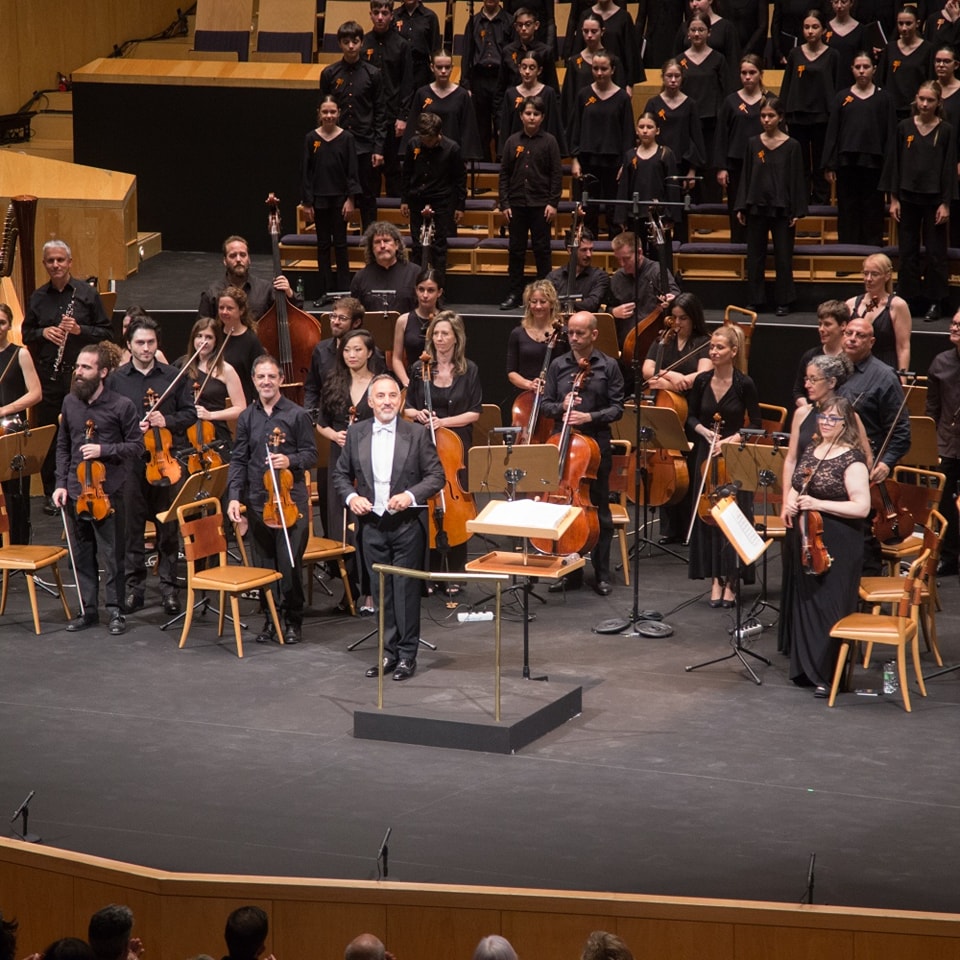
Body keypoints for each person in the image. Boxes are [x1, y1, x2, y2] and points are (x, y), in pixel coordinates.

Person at [333, 373, 445, 680]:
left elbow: (436, 477)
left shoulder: (417, 434)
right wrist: (352, 497)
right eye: (380, 396)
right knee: (381, 592)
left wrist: (410, 496)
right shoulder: (356, 433)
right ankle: (388, 653)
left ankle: (407, 656)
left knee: (405, 592)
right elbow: (340, 475)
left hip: (407, 525)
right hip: (371, 525)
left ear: (400, 400)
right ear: (370, 402)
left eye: (392, 395)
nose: (387, 401)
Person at [781, 397, 871, 696]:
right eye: (823, 417)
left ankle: (828, 675)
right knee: (808, 602)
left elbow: (861, 508)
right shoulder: (813, 449)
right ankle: (806, 669)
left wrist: (817, 503)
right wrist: (790, 501)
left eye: (834, 419)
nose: (827, 423)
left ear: (846, 424)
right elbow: (799, 481)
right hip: (809, 539)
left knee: (830, 605)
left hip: (839, 540)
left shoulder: (853, 459)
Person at [108, 315, 196, 616]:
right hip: (132, 465)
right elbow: (109, 423)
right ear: (129, 346)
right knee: (132, 529)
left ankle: (171, 590)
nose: (146, 348)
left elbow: (189, 415)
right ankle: (135, 590)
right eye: (140, 343)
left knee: (167, 528)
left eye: (151, 342)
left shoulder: (173, 375)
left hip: (166, 462)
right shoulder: (116, 380)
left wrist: (165, 420)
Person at [227, 355, 318, 645]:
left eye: (271, 376)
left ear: (280, 379)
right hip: (257, 501)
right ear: (253, 381)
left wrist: (288, 459)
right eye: (260, 377)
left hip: (291, 503)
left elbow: (312, 455)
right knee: (264, 566)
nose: (266, 382)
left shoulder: (297, 415)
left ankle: (293, 621)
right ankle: (270, 620)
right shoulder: (247, 417)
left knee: (289, 566)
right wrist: (233, 497)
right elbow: (239, 459)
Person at [54, 343, 143, 635]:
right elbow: (64, 445)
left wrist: (104, 448)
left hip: (110, 492)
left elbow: (135, 446)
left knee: (112, 556)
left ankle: (115, 611)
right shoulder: (70, 402)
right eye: (78, 366)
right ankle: (88, 610)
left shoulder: (122, 405)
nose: (78, 372)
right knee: (80, 556)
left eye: (86, 367)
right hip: (76, 491)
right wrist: (60, 484)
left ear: (102, 372)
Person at [22, 240, 112, 514]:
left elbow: (106, 332)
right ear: (45, 264)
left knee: (85, 433)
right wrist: (43, 333)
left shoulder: (86, 294)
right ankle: (53, 493)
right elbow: (27, 334)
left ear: (70, 262)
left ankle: (88, 488)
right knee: (52, 436)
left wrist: (80, 331)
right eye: (51, 261)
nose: (56, 265)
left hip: (82, 380)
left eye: (61, 260)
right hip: (50, 377)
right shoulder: (38, 297)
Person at [541, 310, 624, 595]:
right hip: (563, 447)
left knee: (599, 511)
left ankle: (601, 574)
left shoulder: (609, 366)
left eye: (579, 333)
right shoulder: (557, 366)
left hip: (595, 448)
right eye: (571, 333)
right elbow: (544, 405)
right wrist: (562, 406)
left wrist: (589, 417)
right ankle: (571, 572)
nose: (573, 338)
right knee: (564, 510)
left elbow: (618, 408)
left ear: (594, 334)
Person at [686, 323, 760, 606]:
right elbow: (691, 417)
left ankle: (732, 580)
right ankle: (715, 578)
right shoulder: (702, 381)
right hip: (706, 453)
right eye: (712, 347)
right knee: (710, 517)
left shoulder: (744, 384)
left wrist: (731, 439)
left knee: (732, 517)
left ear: (733, 351)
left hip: (733, 455)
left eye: (719, 347)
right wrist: (703, 431)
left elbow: (755, 424)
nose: (713, 352)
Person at [404, 311, 482, 579]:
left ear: (456, 337)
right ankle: (429, 571)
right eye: (435, 333)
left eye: (445, 333)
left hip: (456, 447)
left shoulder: (469, 369)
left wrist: (444, 422)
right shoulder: (419, 369)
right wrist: (418, 415)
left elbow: (474, 413)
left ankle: (456, 572)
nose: (439, 338)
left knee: (455, 503)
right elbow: (407, 407)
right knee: (426, 500)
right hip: (424, 444)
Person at [838, 316, 911, 574]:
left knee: (862, 540)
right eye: (849, 333)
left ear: (872, 342)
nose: (853, 338)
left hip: (865, 472)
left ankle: (866, 602)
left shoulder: (883, 376)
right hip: (835, 466)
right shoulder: (834, 370)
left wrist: (886, 462)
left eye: (860, 335)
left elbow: (901, 431)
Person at [880, 80, 958, 322]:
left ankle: (935, 301)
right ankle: (909, 299)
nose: (925, 104)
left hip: (935, 199)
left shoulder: (946, 130)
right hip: (907, 197)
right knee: (908, 251)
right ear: (916, 99)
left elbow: (948, 169)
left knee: (935, 253)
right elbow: (894, 163)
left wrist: (946, 203)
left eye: (930, 100)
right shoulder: (904, 127)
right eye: (921, 99)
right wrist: (893, 199)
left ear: (938, 103)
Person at [314, 328, 380, 609]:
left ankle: (369, 589)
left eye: (357, 350)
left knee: (365, 524)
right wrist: (334, 436)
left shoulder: (379, 384)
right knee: (341, 524)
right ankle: (350, 589)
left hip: (369, 459)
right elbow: (321, 421)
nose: (352, 355)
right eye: (347, 350)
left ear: (369, 353)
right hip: (339, 458)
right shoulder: (334, 381)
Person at [641, 292, 712, 543]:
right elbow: (648, 370)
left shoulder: (703, 341)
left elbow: (703, 373)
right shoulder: (664, 339)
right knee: (667, 468)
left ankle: (692, 529)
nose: (678, 322)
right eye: (674, 317)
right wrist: (671, 379)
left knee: (691, 469)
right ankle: (670, 528)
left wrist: (676, 381)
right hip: (668, 409)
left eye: (683, 318)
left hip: (692, 409)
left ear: (694, 318)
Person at [735, 97, 808, 317]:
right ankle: (755, 299)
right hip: (756, 206)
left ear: (780, 117)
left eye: (771, 116)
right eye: (763, 116)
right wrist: (742, 206)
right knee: (754, 255)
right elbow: (746, 176)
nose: (766, 120)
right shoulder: (752, 143)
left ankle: (784, 300)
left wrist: (796, 210)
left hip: (782, 209)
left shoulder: (792, 145)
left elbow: (797, 179)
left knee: (783, 257)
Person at [822, 52, 897, 247]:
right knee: (848, 208)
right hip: (847, 163)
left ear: (874, 69)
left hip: (875, 164)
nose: (862, 71)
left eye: (866, 67)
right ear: (852, 70)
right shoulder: (842, 97)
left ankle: (872, 251)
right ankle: (847, 253)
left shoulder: (884, 98)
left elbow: (890, 135)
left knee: (873, 208)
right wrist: (830, 164)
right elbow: (833, 132)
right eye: (858, 67)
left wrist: (890, 168)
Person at [320, 21, 388, 230]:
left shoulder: (373, 74)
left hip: (365, 145)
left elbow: (380, 112)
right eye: (346, 42)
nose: (351, 46)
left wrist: (378, 148)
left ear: (362, 42)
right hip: (337, 146)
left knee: (368, 197)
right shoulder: (329, 73)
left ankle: (371, 243)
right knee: (338, 194)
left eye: (355, 41)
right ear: (340, 43)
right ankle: (341, 244)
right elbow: (325, 109)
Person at [498, 95, 563, 310]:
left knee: (542, 250)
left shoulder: (550, 142)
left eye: (536, 114)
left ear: (542, 117)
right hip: (516, 205)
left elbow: (556, 175)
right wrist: (505, 203)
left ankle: (545, 296)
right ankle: (515, 294)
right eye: (528, 113)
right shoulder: (512, 141)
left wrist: (553, 203)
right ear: (521, 116)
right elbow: (504, 174)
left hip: (541, 205)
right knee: (515, 251)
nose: (532, 117)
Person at [569, 50, 635, 241]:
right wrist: (574, 159)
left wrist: (625, 163)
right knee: (588, 208)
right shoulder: (583, 95)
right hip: (588, 160)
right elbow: (576, 128)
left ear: (612, 70)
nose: (599, 73)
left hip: (614, 162)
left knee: (614, 211)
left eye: (604, 68)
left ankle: (615, 253)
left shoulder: (622, 97)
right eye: (595, 68)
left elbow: (628, 133)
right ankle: (589, 251)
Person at [300, 96, 360, 304]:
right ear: (319, 113)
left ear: (339, 113)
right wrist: (307, 202)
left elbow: (353, 171)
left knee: (341, 245)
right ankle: (325, 291)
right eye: (325, 112)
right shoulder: (311, 139)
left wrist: (350, 199)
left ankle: (343, 292)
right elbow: (306, 173)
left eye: (332, 112)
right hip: (319, 201)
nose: (329, 116)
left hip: (340, 200)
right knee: (323, 245)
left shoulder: (347, 138)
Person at [778, 9, 841, 206]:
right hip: (798, 116)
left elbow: (838, 87)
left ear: (824, 30)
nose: (810, 31)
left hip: (823, 117)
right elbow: (787, 87)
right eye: (807, 27)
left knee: (821, 164)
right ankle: (802, 204)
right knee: (801, 164)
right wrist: (783, 115)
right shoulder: (795, 53)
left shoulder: (833, 55)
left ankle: (820, 205)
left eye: (815, 27)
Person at [400, 111, 467, 287]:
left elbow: (460, 179)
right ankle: (416, 288)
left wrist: (460, 206)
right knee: (416, 246)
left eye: (429, 139)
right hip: (417, 198)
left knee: (438, 248)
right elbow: (406, 173)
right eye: (423, 138)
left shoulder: (452, 148)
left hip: (441, 200)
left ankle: (439, 290)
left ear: (438, 134)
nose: (426, 143)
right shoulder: (413, 144)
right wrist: (404, 200)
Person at [643, 59, 707, 238]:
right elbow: (645, 131)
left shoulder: (690, 104)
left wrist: (692, 170)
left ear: (682, 78)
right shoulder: (653, 103)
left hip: (681, 166)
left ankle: (679, 251)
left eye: (676, 76)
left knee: (679, 211)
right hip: (656, 165)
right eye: (669, 76)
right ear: (663, 78)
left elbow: (696, 138)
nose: (672, 80)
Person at [678, 12, 735, 201]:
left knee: (710, 165)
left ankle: (710, 209)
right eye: (693, 30)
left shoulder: (718, 59)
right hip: (686, 122)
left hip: (711, 121)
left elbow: (727, 92)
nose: (696, 34)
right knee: (689, 164)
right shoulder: (680, 61)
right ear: (687, 33)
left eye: (701, 30)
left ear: (709, 32)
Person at [715, 54, 770, 242]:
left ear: (761, 74)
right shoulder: (730, 101)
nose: (748, 77)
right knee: (737, 208)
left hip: (764, 164)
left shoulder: (770, 100)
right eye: (744, 73)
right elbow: (721, 136)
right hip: (736, 164)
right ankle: (738, 251)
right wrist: (722, 167)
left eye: (752, 72)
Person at [0, 302, 42, 543]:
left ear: (9, 324)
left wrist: (6, 409)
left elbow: (35, 393)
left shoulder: (20, 353)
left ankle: (18, 545)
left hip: (12, 429)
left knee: (14, 494)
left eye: (2, 322)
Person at [362, 0, 413, 198]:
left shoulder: (402, 45)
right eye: (376, 13)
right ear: (371, 14)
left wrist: (403, 116)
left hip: (393, 117)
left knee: (392, 168)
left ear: (392, 15)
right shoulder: (364, 42)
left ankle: (395, 221)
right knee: (370, 169)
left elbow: (407, 84)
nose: (380, 17)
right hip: (369, 118)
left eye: (384, 12)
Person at [177, 316, 246, 461]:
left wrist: (211, 415)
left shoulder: (226, 370)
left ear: (216, 342)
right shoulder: (183, 365)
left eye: (209, 337)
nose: (203, 341)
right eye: (199, 336)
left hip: (216, 435)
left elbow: (240, 408)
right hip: (186, 435)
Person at [402, 49, 484, 162]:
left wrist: (465, 157)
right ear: (432, 67)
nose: (443, 71)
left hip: (453, 156)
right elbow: (413, 126)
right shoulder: (422, 93)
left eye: (447, 67)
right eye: (439, 67)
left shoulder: (462, 95)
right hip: (426, 155)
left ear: (452, 67)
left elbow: (468, 129)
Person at [613, 112, 682, 244]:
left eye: (649, 127)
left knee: (659, 256)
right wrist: (621, 217)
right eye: (641, 127)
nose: (645, 131)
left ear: (657, 131)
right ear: (637, 130)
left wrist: (671, 217)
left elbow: (672, 189)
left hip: (659, 215)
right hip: (635, 215)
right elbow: (624, 189)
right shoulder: (630, 155)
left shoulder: (665, 154)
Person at [198, 235, 300, 323]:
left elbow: (296, 311)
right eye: (233, 256)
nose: (238, 259)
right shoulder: (212, 293)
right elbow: (203, 329)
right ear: (225, 261)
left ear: (249, 259)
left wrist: (289, 293)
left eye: (243, 255)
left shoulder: (265, 288)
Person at [927, 310, 960, 575]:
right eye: (954, 322)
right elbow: (932, 409)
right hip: (948, 443)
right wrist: (934, 444)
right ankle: (949, 555)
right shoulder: (940, 363)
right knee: (945, 504)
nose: (955, 326)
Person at [460, 0, 514, 161]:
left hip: (501, 78)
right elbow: (467, 55)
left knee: (502, 124)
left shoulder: (509, 22)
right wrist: (466, 83)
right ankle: (483, 168)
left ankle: (501, 167)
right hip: (479, 78)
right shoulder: (473, 21)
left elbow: (514, 55)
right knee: (480, 127)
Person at [607, 232, 680, 349]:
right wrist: (614, 312)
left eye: (626, 259)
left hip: (653, 341)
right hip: (625, 343)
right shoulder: (617, 277)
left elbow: (675, 295)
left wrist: (671, 298)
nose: (621, 264)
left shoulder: (657, 271)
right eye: (618, 259)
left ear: (639, 253)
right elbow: (606, 307)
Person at [845, 253, 912, 370]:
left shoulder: (898, 305)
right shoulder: (850, 304)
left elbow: (903, 347)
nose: (868, 279)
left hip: (885, 366)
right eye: (866, 274)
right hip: (855, 367)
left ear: (887, 276)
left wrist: (902, 378)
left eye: (874, 274)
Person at [497, 49, 566, 157]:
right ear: (519, 68)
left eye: (532, 68)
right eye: (524, 67)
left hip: (542, 153)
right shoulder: (510, 94)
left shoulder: (548, 93)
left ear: (539, 70)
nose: (527, 72)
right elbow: (506, 128)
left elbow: (553, 125)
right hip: (517, 153)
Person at [506, 280, 568, 397]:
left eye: (543, 302)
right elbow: (511, 372)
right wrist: (529, 385)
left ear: (552, 303)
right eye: (534, 302)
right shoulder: (518, 333)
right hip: (526, 394)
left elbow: (570, 370)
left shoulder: (563, 333)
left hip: (555, 394)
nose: (538, 306)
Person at [350, 221, 422, 314]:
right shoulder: (360, 277)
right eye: (377, 242)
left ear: (396, 245)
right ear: (372, 248)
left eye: (387, 241)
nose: (382, 246)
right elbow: (354, 313)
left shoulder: (415, 273)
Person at [877, 6, 934, 120]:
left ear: (917, 23)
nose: (904, 28)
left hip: (917, 110)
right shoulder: (890, 48)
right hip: (892, 110)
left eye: (908, 23)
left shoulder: (928, 49)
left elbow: (931, 80)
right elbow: (880, 79)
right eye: (900, 23)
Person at [790, 299, 850, 406]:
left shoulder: (851, 357)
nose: (821, 329)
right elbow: (798, 391)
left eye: (827, 324)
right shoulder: (810, 356)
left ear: (843, 325)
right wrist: (809, 410)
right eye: (820, 324)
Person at [392, 267, 442, 387]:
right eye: (421, 289)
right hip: (412, 380)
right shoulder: (403, 320)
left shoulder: (446, 320)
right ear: (415, 290)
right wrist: (406, 381)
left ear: (439, 292)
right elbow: (396, 358)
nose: (425, 295)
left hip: (441, 380)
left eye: (431, 290)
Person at [216, 286, 264, 403]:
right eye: (221, 308)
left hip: (239, 402)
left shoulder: (250, 340)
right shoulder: (214, 334)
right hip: (214, 399)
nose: (224, 312)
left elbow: (258, 374)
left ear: (241, 310)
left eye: (229, 308)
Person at [544, 227, 611, 313]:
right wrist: (576, 303)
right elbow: (546, 303)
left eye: (591, 249)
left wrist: (561, 302)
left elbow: (591, 304)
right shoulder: (553, 277)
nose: (589, 254)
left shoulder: (600, 276)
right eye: (584, 250)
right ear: (570, 250)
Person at [393, 0, 441, 91]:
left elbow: (435, 48)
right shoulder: (394, 16)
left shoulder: (430, 16)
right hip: (398, 69)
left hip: (422, 70)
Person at [825, 0, 866, 78]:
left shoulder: (861, 30)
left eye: (843, 2)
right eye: (836, 2)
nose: (839, 6)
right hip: (829, 77)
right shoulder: (825, 29)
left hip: (853, 78)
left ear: (851, 3)